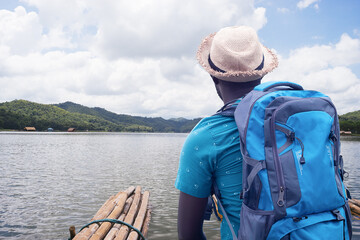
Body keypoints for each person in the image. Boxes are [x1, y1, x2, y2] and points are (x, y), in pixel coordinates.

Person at [175, 26, 278, 240]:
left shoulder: (206, 137)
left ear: (214, 78)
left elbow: (188, 235)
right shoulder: (292, 120)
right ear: (262, 74)